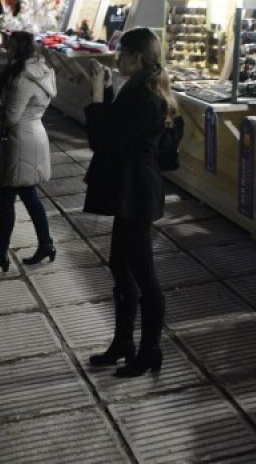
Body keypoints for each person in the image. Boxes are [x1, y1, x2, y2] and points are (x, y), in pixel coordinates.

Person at [84, 27, 177, 377]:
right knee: (120, 268)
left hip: (137, 195)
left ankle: (150, 349)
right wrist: (107, 89)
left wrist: (96, 97)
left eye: (120, 55)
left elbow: (102, 137)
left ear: (136, 59)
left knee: (143, 276)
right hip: (131, 192)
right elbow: (116, 130)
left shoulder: (144, 97)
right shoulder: (138, 89)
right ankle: (123, 342)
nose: (116, 60)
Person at [0, 31, 58, 274]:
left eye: (10, 47)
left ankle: (1, 255)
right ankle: (44, 244)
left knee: (8, 199)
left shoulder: (23, 77)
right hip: (34, 134)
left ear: (20, 50)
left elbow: (11, 116)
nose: (6, 50)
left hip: (19, 141)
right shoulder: (44, 70)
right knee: (26, 194)